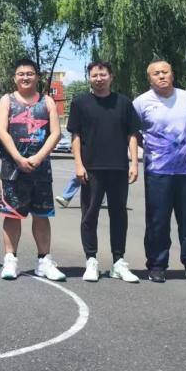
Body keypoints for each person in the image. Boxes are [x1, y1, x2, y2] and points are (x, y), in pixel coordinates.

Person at [134, 60, 186, 285]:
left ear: (172, 74)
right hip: (157, 171)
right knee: (158, 221)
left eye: (165, 72)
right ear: (149, 79)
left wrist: (180, 146)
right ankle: (157, 265)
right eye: (156, 73)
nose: (161, 76)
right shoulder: (141, 102)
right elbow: (132, 132)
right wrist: (154, 148)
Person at [67, 61, 140, 283]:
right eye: (94, 75)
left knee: (119, 215)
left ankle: (119, 261)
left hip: (118, 168)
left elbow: (132, 134)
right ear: (89, 78)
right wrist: (78, 164)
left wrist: (134, 163)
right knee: (89, 215)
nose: (99, 79)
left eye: (103, 74)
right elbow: (75, 136)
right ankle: (91, 260)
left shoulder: (124, 103)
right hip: (91, 169)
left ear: (111, 76)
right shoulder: (80, 103)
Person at [0, 58, 66, 282]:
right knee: (12, 215)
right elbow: (2, 131)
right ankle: (10, 260)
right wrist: (18, 158)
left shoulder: (47, 102)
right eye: (21, 74)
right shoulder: (7, 100)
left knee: (42, 215)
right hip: (12, 169)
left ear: (37, 77)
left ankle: (44, 261)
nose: (25, 77)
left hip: (40, 169)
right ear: (15, 78)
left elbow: (55, 133)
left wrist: (38, 157)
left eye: (30, 73)